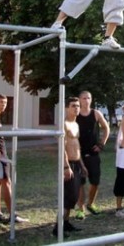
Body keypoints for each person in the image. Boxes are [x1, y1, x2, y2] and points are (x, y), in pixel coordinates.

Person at [0, 94, 28, 223]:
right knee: (6, 182)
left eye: (6, 103)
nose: (3, 105)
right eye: (1, 102)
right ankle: (12, 215)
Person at [53, 97, 87, 238]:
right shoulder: (64, 124)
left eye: (78, 106)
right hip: (68, 165)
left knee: (73, 197)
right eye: (73, 106)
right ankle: (57, 228)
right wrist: (66, 167)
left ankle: (66, 223)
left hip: (77, 163)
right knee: (67, 197)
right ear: (67, 108)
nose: (76, 108)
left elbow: (76, 146)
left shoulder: (76, 124)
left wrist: (82, 165)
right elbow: (61, 148)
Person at [75, 91, 110, 219]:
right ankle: (81, 209)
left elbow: (107, 128)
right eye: (84, 98)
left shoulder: (96, 113)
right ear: (79, 100)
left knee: (95, 181)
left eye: (88, 98)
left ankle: (91, 204)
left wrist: (101, 144)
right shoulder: (75, 114)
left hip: (93, 153)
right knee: (80, 183)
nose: (86, 100)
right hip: (79, 154)